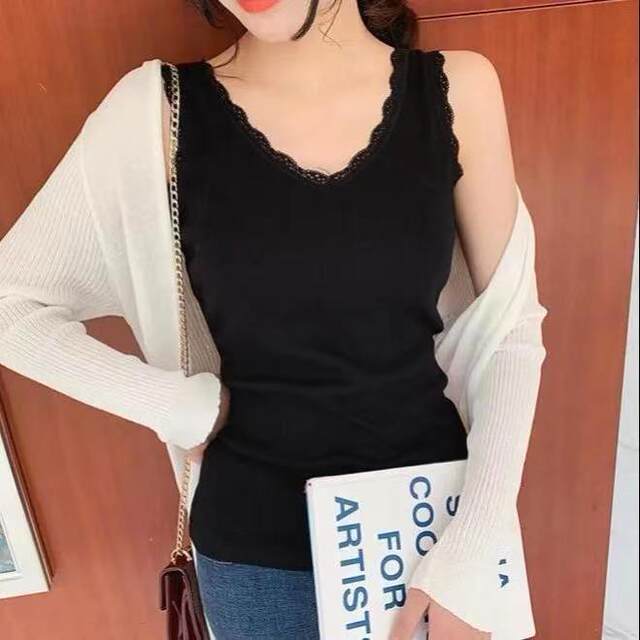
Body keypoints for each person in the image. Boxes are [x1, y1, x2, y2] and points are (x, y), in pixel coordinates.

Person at [0, 1, 548, 639]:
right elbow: (12, 306)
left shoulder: (456, 89)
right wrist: (179, 406)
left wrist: (474, 545)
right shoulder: (158, 112)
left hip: (429, 529)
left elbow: (510, 331)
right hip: (256, 558)